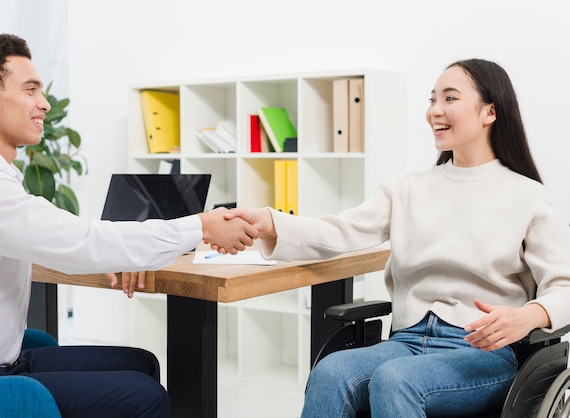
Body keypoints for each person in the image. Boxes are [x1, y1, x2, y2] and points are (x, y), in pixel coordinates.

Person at [224, 59, 570, 417]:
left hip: (482, 352)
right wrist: (269, 221)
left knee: (395, 379)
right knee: (332, 370)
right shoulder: (406, 189)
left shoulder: (529, 197)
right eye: (432, 99)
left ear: (490, 112)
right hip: (406, 342)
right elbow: (340, 232)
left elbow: (565, 286)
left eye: (449, 99)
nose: (434, 111)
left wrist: (529, 316)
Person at [0, 34, 258, 418]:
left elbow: (54, 238)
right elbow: (77, 239)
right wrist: (202, 227)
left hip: (0, 360)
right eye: (30, 90)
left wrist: (111, 251)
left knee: (141, 364)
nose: (43, 104)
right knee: (145, 396)